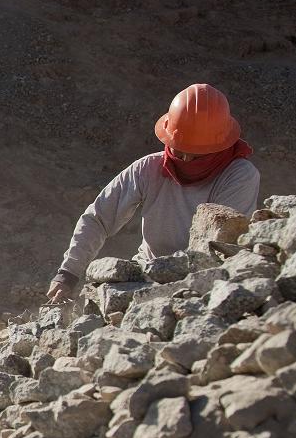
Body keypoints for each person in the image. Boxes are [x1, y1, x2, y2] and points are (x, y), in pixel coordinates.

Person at [47, 83, 259, 302]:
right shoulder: (149, 168)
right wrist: (68, 273)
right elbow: (98, 218)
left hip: (206, 284)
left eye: (196, 156)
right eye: (179, 152)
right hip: (147, 272)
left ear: (219, 146)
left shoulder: (239, 176)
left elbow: (217, 248)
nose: (185, 161)